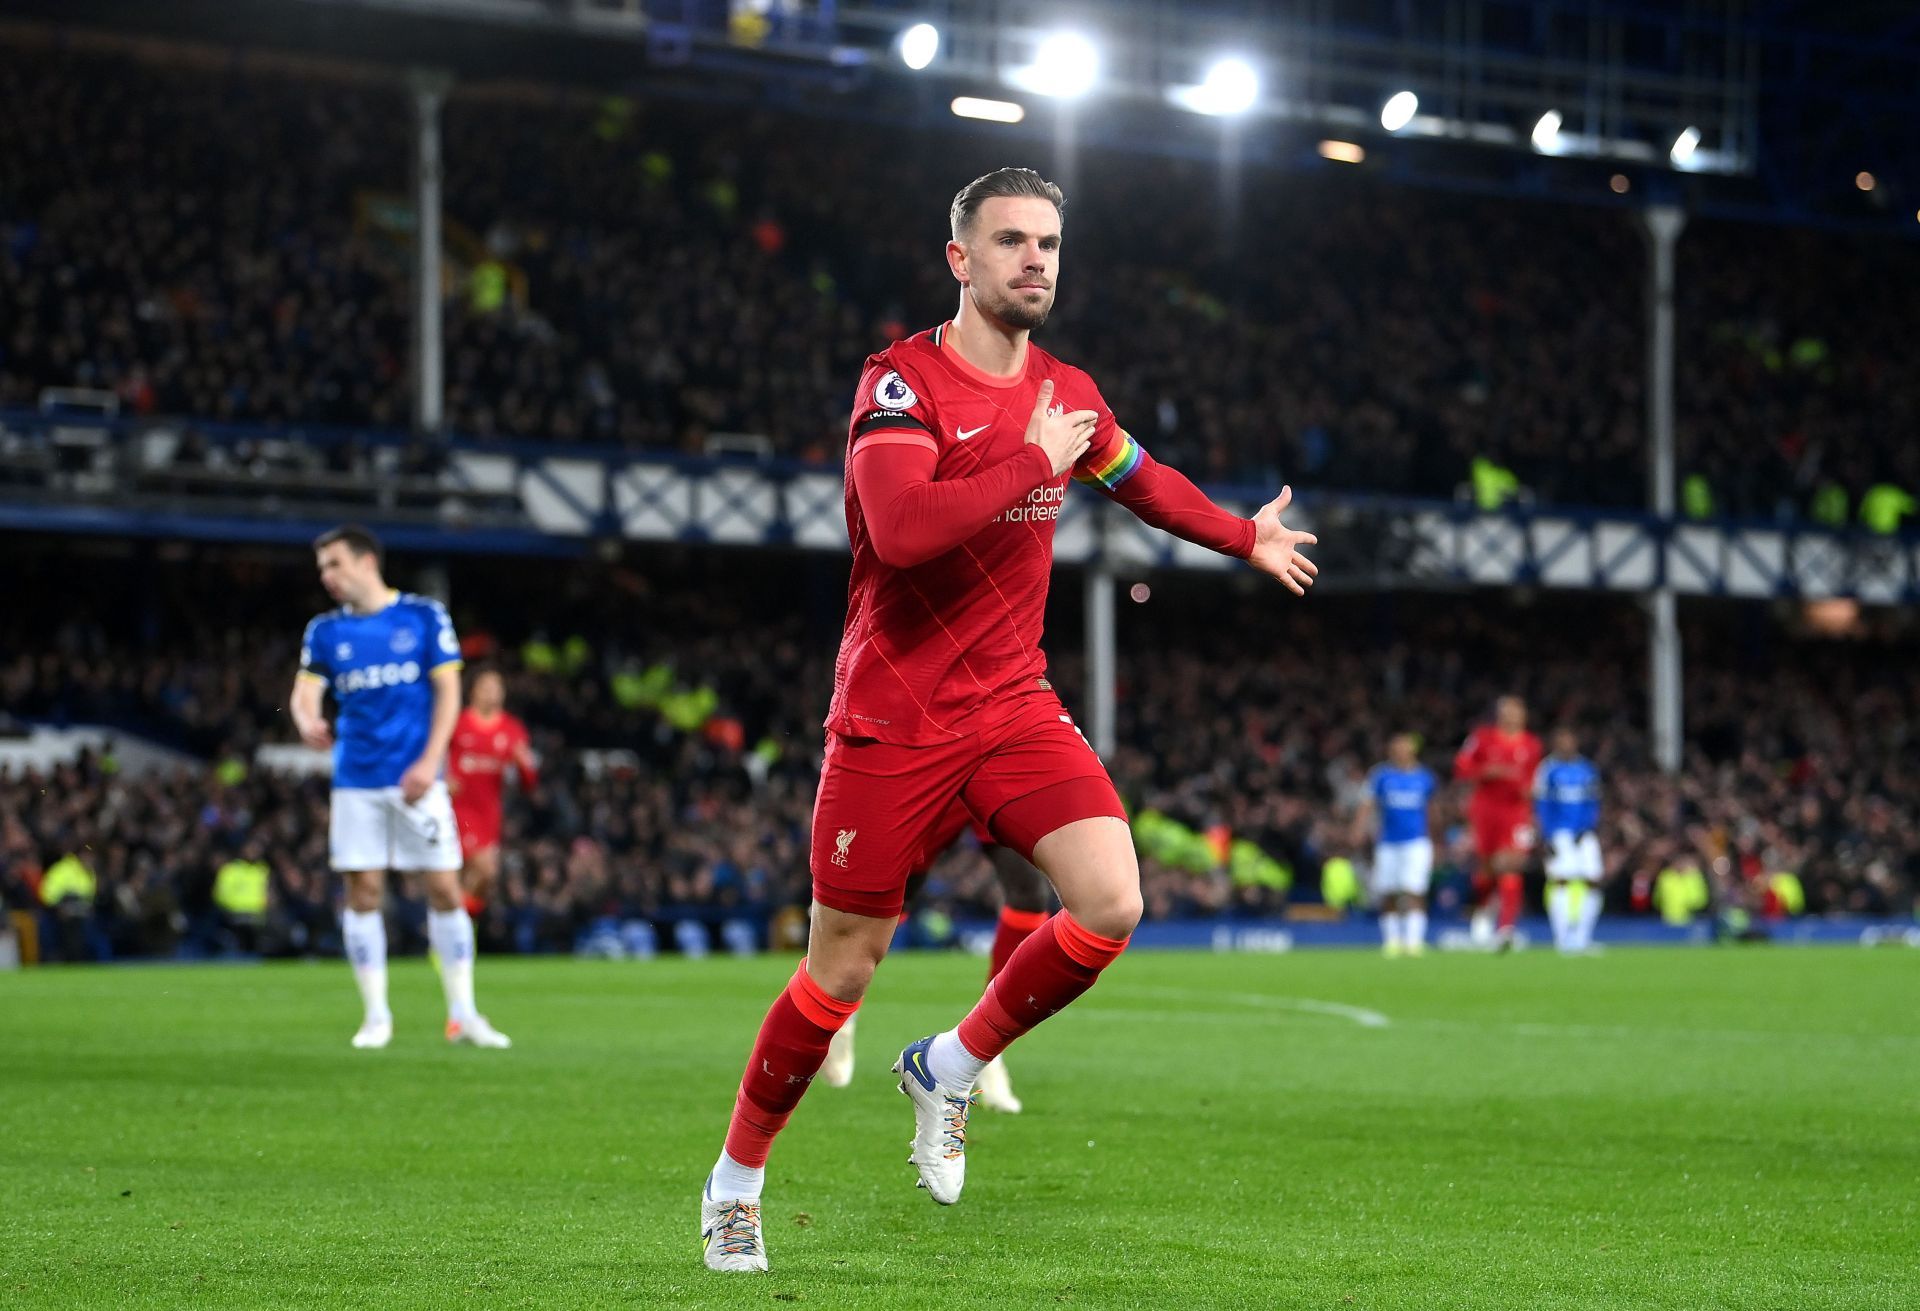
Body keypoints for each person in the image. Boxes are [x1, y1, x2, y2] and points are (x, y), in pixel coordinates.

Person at [699, 166, 1320, 1273]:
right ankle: (736, 1183)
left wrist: (1242, 536)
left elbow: (1140, 481)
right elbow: (898, 529)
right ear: (961, 260)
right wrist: (1035, 457)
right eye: (1012, 242)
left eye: (1049, 244)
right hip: (893, 718)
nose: (1035, 260)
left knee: (1111, 900)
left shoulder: (1071, 392)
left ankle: (948, 1063)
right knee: (840, 969)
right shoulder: (900, 385)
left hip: (1012, 706)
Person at [289, 525, 510, 1050]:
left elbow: (449, 694)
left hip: (418, 780)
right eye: (322, 568)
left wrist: (430, 762)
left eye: (335, 564)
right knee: (363, 891)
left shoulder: (423, 616)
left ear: (367, 562)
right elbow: (304, 692)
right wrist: (305, 720)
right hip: (356, 783)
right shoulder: (324, 631)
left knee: (445, 889)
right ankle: (375, 1017)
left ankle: (464, 1013)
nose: (327, 577)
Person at [819, 823, 1047, 1114]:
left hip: (993, 777)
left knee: (1029, 894)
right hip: (939, 779)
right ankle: (844, 1009)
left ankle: (989, 1050)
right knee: (900, 891)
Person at [1453, 695, 1543, 950]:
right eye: (1506, 711)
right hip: (1485, 811)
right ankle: (1482, 912)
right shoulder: (1481, 738)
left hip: (1515, 813)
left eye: (1516, 711)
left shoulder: (1531, 744)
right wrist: (1486, 771)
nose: (1511, 716)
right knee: (1487, 871)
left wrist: (1531, 795)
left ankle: (1505, 928)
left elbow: (1533, 778)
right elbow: (1461, 767)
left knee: (1510, 864)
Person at [447, 667, 538, 918]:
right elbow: (434, 753)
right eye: (486, 687)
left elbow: (528, 784)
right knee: (469, 870)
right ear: (473, 691)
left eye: (497, 687)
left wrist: (524, 766)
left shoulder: (511, 729)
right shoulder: (457, 722)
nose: (492, 693)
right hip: (458, 808)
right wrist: (442, 778)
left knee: (484, 875)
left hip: (489, 812)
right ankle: (457, 932)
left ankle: (458, 927)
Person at [1355, 733, 1438, 957]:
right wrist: (1359, 829)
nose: (1401, 750)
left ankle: (1413, 942)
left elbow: (1432, 811)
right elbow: (1367, 804)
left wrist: (1436, 840)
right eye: (1397, 746)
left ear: (1413, 750)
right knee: (1388, 891)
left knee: (1415, 890)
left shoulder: (1424, 777)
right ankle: (1392, 941)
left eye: (1405, 746)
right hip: (1388, 842)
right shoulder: (1381, 776)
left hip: (1417, 842)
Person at [1535, 727, 1603, 953]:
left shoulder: (1587, 770)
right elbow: (1541, 805)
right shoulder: (1548, 769)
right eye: (1561, 740)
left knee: (1593, 880)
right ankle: (1562, 938)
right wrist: (1546, 836)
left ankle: (1582, 937)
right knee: (1561, 881)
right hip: (1559, 833)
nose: (1566, 744)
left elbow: (1593, 803)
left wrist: (1588, 827)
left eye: (1569, 740)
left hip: (1584, 834)